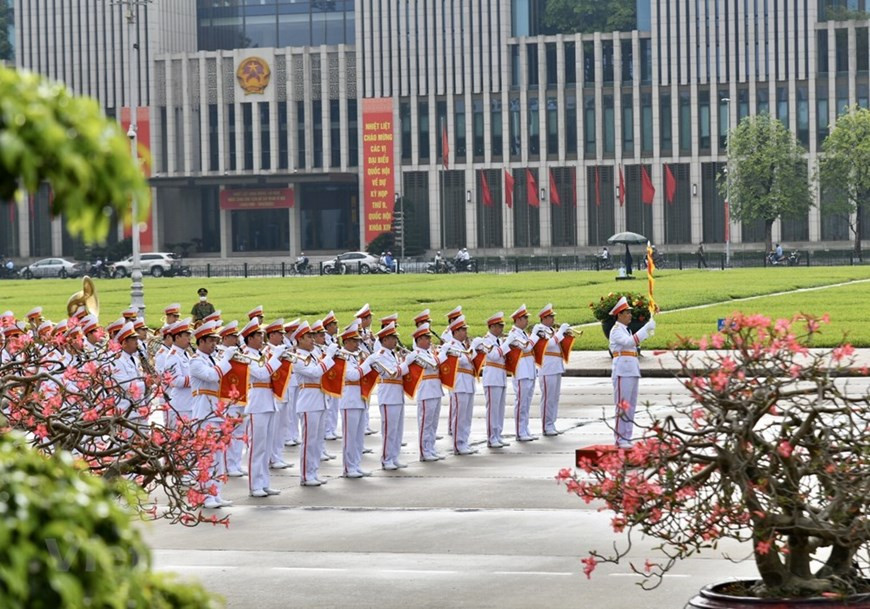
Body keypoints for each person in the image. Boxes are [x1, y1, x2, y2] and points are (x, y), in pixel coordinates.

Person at [188, 321, 237, 509]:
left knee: (218, 458)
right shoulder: (195, 361)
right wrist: (226, 359)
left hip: (217, 412)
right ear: (201, 341)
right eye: (210, 341)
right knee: (206, 457)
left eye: (215, 341)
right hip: (203, 414)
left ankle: (215, 493)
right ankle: (205, 495)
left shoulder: (213, 359)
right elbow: (212, 376)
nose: (214, 345)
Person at [240, 319, 285, 497]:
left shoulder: (262, 353)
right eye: (258, 335)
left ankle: (264, 482)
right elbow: (260, 374)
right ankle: (254, 485)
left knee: (266, 446)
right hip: (256, 403)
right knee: (256, 447)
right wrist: (275, 358)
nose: (261, 338)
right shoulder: (246, 355)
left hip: (269, 402)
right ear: (250, 338)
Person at [293, 321, 339, 486]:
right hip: (308, 403)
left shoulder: (314, 355)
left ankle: (313, 472)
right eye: (308, 337)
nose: (313, 340)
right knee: (309, 442)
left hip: (320, 401)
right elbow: (315, 372)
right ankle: (306, 475)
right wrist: (329, 357)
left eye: (313, 337)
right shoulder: (297, 357)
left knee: (318, 441)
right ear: (299, 339)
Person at [608, 296, 656, 448]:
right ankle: (620, 438)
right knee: (622, 406)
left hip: (631, 369)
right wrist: (645, 329)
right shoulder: (616, 330)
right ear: (620, 315)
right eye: (627, 313)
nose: (630, 315)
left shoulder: (625, 330)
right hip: (622, 371)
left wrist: (648, 330)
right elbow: (629, 343)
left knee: (631, 405)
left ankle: (627, 436)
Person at [370, 322, 412, 469]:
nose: (395, 341)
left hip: (397, 395)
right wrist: (407, 362)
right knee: (389, 430)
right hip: (388, 396)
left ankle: (394, 457)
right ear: (385, 340)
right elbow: (393, 373)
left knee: (397, 429)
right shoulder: (380, 355)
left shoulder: (392, 354)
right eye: (393, 338)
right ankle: (386, 459)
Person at [338, 321, 373, 478]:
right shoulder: (342, 357)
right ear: (346, 342)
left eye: (358, 341)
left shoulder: (355, 357)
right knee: (350, 437)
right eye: (354, 341)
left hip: (360, 398)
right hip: (349, 400)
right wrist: (368, 363)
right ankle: (348, 467)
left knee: (358, 437)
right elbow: (353, 375)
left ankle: (356, 465)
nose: (358, 344)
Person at [532, 304, 570, 436]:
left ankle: (551, 423)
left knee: (554, 398)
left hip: (555, 367)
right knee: (548, 398)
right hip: (547, 368)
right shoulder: (540, 329)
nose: (553, 319)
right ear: (544, 318)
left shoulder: (551, 331)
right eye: (551, 317)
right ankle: (546, 425)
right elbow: (551, 344)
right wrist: (561, 332)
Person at [443, 315, 477, 455]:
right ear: (455, 332)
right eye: (462, 330)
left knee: (467, 416)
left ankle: (464, 441)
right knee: (460, 416)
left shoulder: (463, 346)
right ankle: (458, 444)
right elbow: (462, 360)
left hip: (467, 383)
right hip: (459, 384)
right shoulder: (450, 345)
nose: (465, 332)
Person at [411, 323, 445, 462]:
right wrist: (444, 352)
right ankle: (424, 451)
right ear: (419, 340)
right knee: (425, 423)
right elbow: (433, 364)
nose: (430, 341)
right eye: (426, 338)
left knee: (433, 423)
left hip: (435, 390)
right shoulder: (417, 354)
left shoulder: (429, 352)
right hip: (426, 391)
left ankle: (430, 448)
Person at [508, 305, 538, 442]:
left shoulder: (522, 333)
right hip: (521, 372)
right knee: (521, 402)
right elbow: (527, 347)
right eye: (525, 318)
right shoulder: (514, 334)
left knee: (526, 402)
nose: (527, 320)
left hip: (529, 371)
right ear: (518, 319)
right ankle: (520, 431)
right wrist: (535, 335)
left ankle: (525, 428)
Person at [479, 312, 509, 448]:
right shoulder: (486, 340)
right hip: (492, 377)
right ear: (492, 327)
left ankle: (498, 434)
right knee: (492, 409)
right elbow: (495, 355)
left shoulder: (498, 340)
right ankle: (492, 437)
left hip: (500, 376)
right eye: (499, 326)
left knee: (500, 409)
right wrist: (507, 343)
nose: (501, 329)